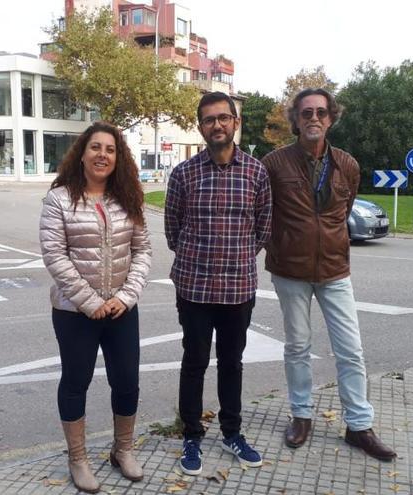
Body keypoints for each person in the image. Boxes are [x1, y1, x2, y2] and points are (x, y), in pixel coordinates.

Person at [261, 88, 397, 461]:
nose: (314, 119)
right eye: (306, 113)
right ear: (296, 119)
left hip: (335, 270)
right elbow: (264, 213)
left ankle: (359, 426)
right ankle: (301, 416)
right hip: (290, 270)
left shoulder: (348, 165)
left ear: (331, 117)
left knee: (351, 350)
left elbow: (343, 210)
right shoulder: (275, 164)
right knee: (298, 347)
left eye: (321, 112)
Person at [39, 121, 152, 493]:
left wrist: (125, 297)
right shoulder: (59, 199)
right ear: (82, 153)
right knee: (76, 382)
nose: (103, 155)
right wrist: (90, 302)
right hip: (75, 313)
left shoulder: (129, 197)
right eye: (96, 148)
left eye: (110, 149)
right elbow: (54, 255)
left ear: (118, 157)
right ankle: (78, 459)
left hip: (121, 309)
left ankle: (123, 451)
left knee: (127, 382)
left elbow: (142, 251)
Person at [165, 91, 273, 475]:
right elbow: (173, 230)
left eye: (223, 118)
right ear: (200, 126)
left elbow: (263, 228)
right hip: (194, 288)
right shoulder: (183, 174)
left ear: (235, 123)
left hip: (238, 289)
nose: (217, 125)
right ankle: (191, 435)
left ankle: (232, 432)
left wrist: (236, 257)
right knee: (193, 362)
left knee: (232, 363)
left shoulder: (256, 173)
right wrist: (201, 260)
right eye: (209, 119)